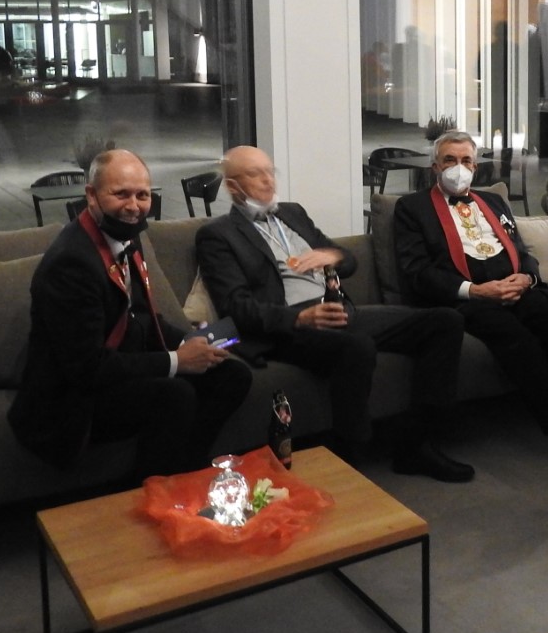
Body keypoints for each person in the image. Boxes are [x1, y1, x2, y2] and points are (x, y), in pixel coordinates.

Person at [195, 146, 474, 482]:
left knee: (444, 321)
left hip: (338, 310)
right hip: (287, 326)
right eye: (256, 174)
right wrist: (300, 319)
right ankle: (349, 459)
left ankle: (416, 445)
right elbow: (236, 306)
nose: (268, 180)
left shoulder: (292, 213)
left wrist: (331, 256)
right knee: (356, 347)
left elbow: (349, 260)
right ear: (232, 186)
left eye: (270, 171)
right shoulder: (218, 234)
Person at [394, 130, 548, 479]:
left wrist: (527, 277)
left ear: (475, 167)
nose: (458, 167)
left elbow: (523, 251)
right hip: (468, 298)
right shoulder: (411, 208)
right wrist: (476, 291)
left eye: (465, 160)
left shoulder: (493, 202)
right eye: (449, 160)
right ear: (435, 166)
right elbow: (416, 272)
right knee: (519, 343)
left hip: (516, 288)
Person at [9, 149, 252, 480]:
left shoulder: (124, 238)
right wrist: (178, 361)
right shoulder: (71, 263)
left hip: (114, 370)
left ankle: (187, 473)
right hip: (69, 398)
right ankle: (152, 491)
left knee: (233, 375)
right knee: (174, 395)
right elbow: (87, 368)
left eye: (142, 195)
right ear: (91, 195)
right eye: (121, 194)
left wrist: (194, 341)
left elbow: (140, 319)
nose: (134, 206)